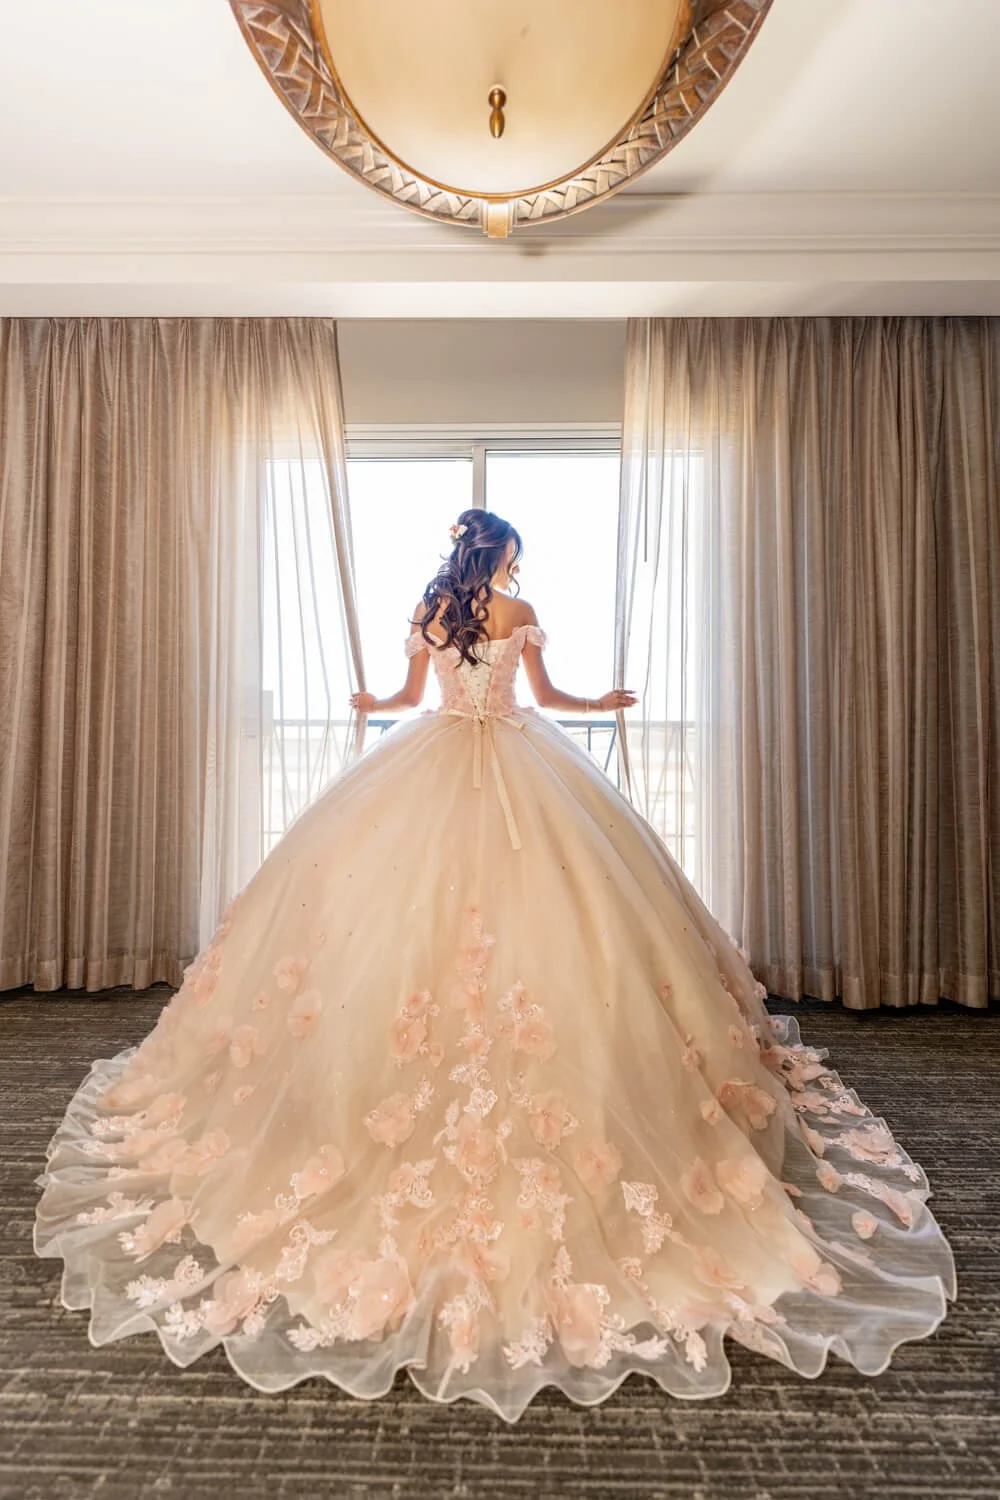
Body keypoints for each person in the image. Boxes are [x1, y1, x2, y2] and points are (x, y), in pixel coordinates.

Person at [34, 508, 956, 1422]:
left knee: (396, 929)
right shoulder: (518, 613)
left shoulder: (432, 610)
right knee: (568, 925)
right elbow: (545, 698)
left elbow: (410, 699)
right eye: (514, 552)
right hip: (519, 767)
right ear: (501, 552)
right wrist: (602, 705)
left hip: (431, 763)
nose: (516, 564)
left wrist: (372, 704)